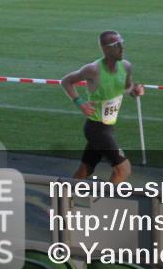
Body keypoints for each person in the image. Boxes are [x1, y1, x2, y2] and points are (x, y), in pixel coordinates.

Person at [61, 31, 144, 184]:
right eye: (116, 44)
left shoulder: (126, 66)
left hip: (109, 127)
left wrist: (135, 90)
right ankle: (106, 197)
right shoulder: (92, 69)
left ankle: (63, 195)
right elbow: (66, 81)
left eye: (121, 43)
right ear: (105, 48)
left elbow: (127, 87)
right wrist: (80, 103)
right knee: (123, 169)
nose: (122, 47)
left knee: (85, 170)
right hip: (96, 129)